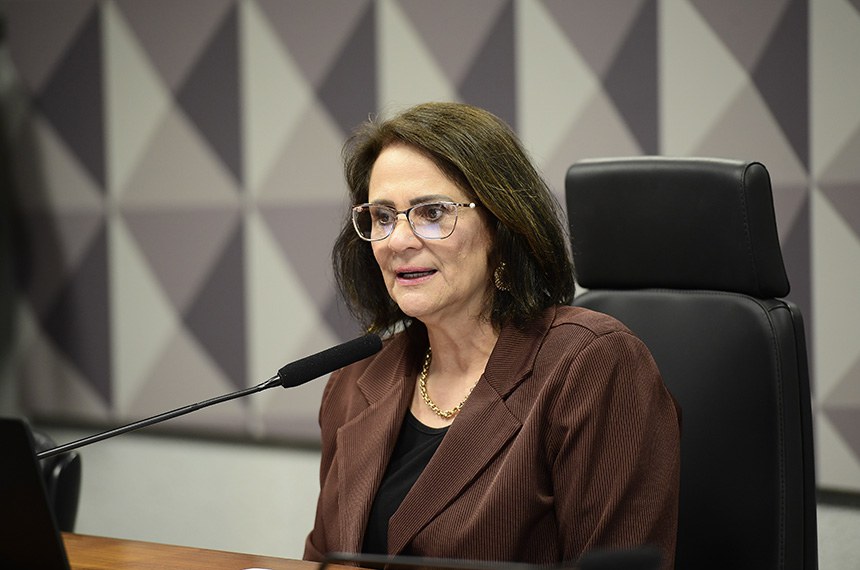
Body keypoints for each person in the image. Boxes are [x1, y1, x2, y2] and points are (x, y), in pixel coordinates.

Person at [303, 102, 680, 567]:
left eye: (432, 212)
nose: (397, 240)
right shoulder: (353, 383)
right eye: (383, 217)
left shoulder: (591, 365)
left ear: (500, 228)